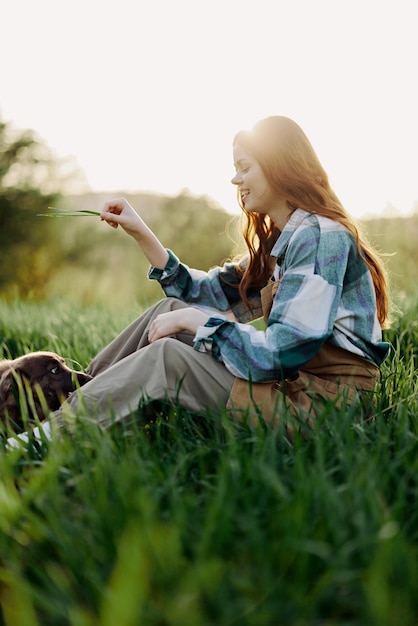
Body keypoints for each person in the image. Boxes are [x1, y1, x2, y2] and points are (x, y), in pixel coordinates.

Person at [9, 115, 391, 448]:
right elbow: (204, 294)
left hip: (321, 410)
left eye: (245, 166)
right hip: (295, 386)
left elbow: (280, 354)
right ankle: (72, 399)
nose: (235, 178)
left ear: (279, 165)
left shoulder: (321, 238)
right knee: (171, 309)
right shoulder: (288, 239)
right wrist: (142, 233)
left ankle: (34, 443)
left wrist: (197, 323)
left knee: (168, 356)